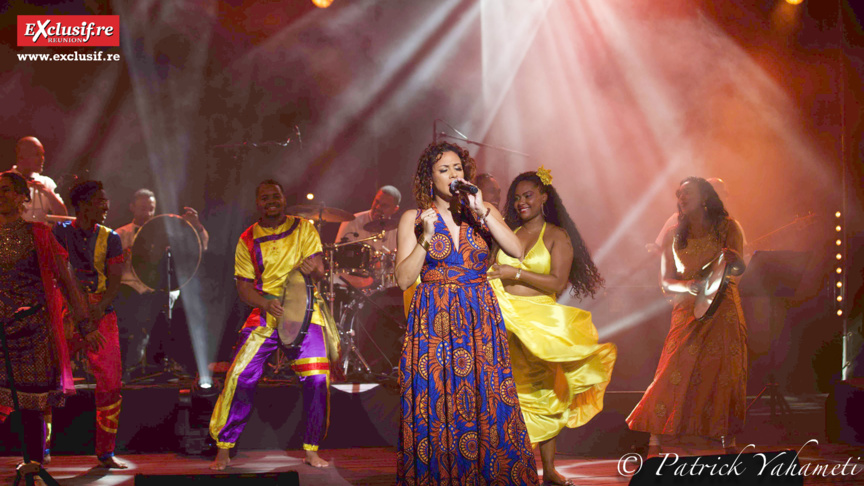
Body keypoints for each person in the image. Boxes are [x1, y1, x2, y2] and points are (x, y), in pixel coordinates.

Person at [394, 142, 539, 485]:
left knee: (485, 395)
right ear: (429, 178)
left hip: (479, 318)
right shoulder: (413, 219)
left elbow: (516, 250)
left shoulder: (482, 210)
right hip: (433, 320)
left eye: (457, 168)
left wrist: (483, 210)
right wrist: (425, 240)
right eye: (443, 170)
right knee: (437, 398)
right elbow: (403, 279)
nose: (453, 175)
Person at [486, 168, 616, 486]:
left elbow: (557, 282)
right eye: (516, 198)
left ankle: (549, 470)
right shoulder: (506, 231)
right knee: (502, 391)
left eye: (528, 195)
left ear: (544, 197)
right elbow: (489, 268)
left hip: (539, 322)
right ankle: (501, 464)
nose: (520, 203)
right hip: (502, 314)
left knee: (542, 392)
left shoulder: (557, 235)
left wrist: (514, 274)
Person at [209, 179, 336, 470]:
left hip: (305, 313)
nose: (271, 201)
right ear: (258, 204)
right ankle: (224, 448)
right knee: (239, 375)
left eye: (275, 196)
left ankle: (312, 449)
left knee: (317, 378)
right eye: (265, 198)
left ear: (283, 199)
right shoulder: (247, 238)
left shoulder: (304, 228)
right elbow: (243, 287)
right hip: (266, 313)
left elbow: (319, 270)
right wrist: (266, 304)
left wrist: (313, 269)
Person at [626, 177, 747, 454]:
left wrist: (736, 261)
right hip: (686, 308)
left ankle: (729, 443)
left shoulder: (729, 227)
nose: (681, 198)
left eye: (687, 193)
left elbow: (739, 268)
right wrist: (690, 286)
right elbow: (665, 282)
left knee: (724, 373)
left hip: (723, 306)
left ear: (705, 196)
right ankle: (655, 441)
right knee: (671, 370)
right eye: (678, 194)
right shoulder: (672, 234)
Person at [0, 171, 87, 473]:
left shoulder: (37, 232)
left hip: (32, 330)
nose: (2, 194)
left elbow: (64, 278)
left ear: (24, 197)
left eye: (9, 190)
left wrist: (83, 321)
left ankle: (33, 465)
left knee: (31, 404)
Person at [51, 180, 127, 468]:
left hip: (100, 313)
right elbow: (60, 277)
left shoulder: (112, 237)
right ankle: (40, 451)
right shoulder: (58, 232)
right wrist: (80, 318)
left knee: (110, 382)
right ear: (82, 205)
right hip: (66, 311)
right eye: (100, 201)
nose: (106, 206)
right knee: (49, 381)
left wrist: (94, 317)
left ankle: (106, 452)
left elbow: (115, 283)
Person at [112, 188, 209, 372]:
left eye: (151, 208)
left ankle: (164, 363)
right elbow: (108, 268)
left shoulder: (167, 233)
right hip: (130, 287)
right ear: (132, 207)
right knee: (131, 305)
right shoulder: (120, 234)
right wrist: (121, 258)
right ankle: (130, 365)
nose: (148, 213)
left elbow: (201, 246)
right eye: (143, 208)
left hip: (160, 288)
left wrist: (196, 225)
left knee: (176, 309)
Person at [334, 185, 401, 289]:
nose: (378, 208)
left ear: (395, 209)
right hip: (354, 284)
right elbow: (337, 258)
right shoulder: (351, 222)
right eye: (377, 202)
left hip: (386, 287)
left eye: (384, 205)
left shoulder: (398, 230)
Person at [11, 136, 67, 223]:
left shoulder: (46, 183)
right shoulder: (2, 180)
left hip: (38, 236)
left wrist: (48, 193)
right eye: (37, 154)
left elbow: (63, 217)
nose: (42, 159)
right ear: (21, 156)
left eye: (42, 154)